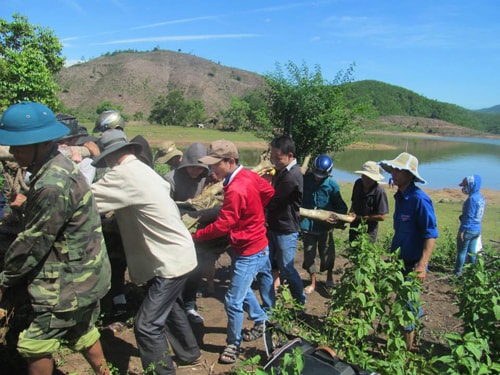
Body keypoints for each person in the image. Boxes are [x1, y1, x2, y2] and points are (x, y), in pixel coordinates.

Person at [0, 101, 111, 375]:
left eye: (19, 146)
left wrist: (4, 281)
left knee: (35, 343)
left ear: (42, 143)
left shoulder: (52, 183)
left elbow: (33, 242)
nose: (13, 152)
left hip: (68, 281)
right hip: (88, 271)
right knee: (81, 328)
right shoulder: (57, 164)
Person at [91, 129, 201, 374]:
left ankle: (161, 371)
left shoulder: (122, 175)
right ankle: (189, 353)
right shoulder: (144, 171)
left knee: (146, 325)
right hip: (175, 253)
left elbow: (81, 200)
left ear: (110, 157)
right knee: (168, 308)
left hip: (167, 261)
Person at [192, 140, 275, 364]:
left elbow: (223, 225)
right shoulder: (247, 176)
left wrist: (196, 236)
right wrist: (253, 212)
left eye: (215, 165)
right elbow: (268, 191)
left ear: (230, 161)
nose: (212, 170)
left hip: (249, 250)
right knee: (241, 289)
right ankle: (261, 319)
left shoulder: (237, 188)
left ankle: (233, 344)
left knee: (232, 300)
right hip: (250, 244)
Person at [379, 152, 439, 351]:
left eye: (399, 170)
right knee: (404, 300)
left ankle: (407, 349)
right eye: (394, 170)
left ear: (410, 174)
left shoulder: (419, 200)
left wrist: (422, 265)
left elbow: (431, 234)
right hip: (400, 261)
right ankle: (414, 328)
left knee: (406, 305)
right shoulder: (400, 197)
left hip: (414, 263)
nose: (394, 174)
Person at [165, 142, 211, 325]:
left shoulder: (204, 179)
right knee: (176, 270)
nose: (195, 171)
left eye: (199, 168)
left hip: (195, 229)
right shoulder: (171, 179)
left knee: (196, 267)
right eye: (192, 167)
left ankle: (190, 304)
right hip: (175, 227)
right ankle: (174, 305)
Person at [266, 135, 306, 307]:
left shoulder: (293, 175)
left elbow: (274, 200)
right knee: (271, 267)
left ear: (290, 155)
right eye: (272, 157)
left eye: (278, 158)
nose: (274, 161)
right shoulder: (283, 171)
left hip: (286, 229)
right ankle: (272, 303)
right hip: (275, 226)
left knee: (287, 269)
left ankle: (299, 303)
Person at [300, 155, 348, 294]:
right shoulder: (305, 181)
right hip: (307, 226)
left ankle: (329, 278)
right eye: (316, 174)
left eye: (322, 175)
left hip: (324, 228)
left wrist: (334, 219)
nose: (318, 178)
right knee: (309, 254)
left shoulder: (332, 185)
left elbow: (341, 207)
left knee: (327, 254)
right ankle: (313, 281)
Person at [348, 161, 389, 244]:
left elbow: (382, 217)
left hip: (368, 231)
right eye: (365, 177)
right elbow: (354, 201)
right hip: (354, 226)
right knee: (352, 252)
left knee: (365, 253)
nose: (366, 180)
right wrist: (351, 212)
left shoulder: (379, 191)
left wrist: (362, 218)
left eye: (370, 178)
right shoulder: (358, 183)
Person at [453, 175, 486, 276]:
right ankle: (473, 271)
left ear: (472, 185)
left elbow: (469, 217)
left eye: (466, 185)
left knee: (462, 252)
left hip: (468, 229)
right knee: (472, 252)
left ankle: (457, 273)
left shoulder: (471, 199)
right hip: (477, 229)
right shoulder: (481, 198)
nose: (463, 188)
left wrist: (462, 231)